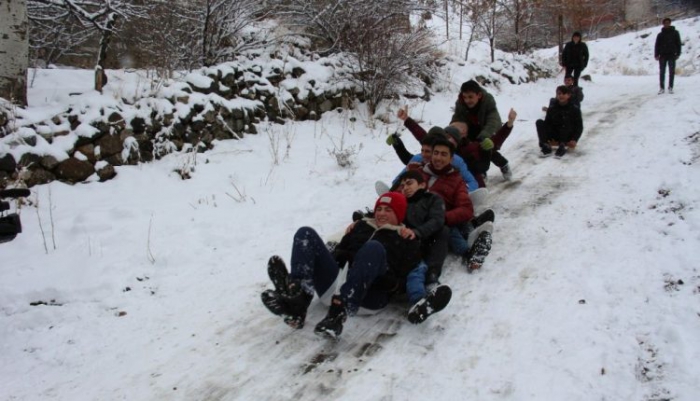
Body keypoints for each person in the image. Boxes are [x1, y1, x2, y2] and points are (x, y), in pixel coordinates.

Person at [261, 192, 451, 339]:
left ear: (399, 214)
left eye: (388, 210)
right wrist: (337, 257)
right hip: (334, 288)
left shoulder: (406, 238)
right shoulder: (361, 227)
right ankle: (297, 300)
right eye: (379, 209)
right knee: (306, 233)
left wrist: (381, 274)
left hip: (368, 298)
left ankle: (337, 316)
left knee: (373, 248)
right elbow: (338, 254)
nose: (382, 214)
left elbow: (402, 282)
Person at [408, 137, 493, 272]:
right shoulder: (419, 173)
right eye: (436, 153)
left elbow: (466, 209)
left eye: (443, 154)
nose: (438, 158)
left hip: (438, 224)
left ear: (451, 159)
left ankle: (469, 251)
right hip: (412, 217)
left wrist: (442, 217)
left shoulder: (456, 181)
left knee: (447, 229)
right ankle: (474, 226)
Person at [450, 80, 513, 182]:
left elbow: (493, 119)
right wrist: (453, 132)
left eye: (470, 97)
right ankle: (479, 172)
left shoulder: (488, 101)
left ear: (478, 95)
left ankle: (503, 164)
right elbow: (457, 118)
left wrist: (485, 136)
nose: (467, 100)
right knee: (469, 150)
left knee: (487, 149)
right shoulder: (460, 103)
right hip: (470, 129)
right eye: (465, 97)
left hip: (486, 128)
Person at [536, 85, 583, 158]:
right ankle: (546, 146)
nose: (561, 96)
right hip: (555, 133)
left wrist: (575, 139)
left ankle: (562, 146)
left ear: (568, 95)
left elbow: (579, 126)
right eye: (559, 94)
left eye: (563, 94)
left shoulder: (574, 109)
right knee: (539, 122)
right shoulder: (552, 108)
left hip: (567, 135)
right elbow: (547, 123)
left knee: (565, 119)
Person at [654, 17, 682, 94]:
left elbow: (678, 43)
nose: (667, 24)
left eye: (668, 23)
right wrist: (656, 54)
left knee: (671, 72)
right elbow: (657, 45)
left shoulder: (675, 33)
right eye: (665, 23)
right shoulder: (660, 35)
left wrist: (678, 53)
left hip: (672, 55)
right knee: (662, 72)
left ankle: (670, 87)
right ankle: (662, 88)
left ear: (670, 23)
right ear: (663, 24)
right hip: (662, 55)